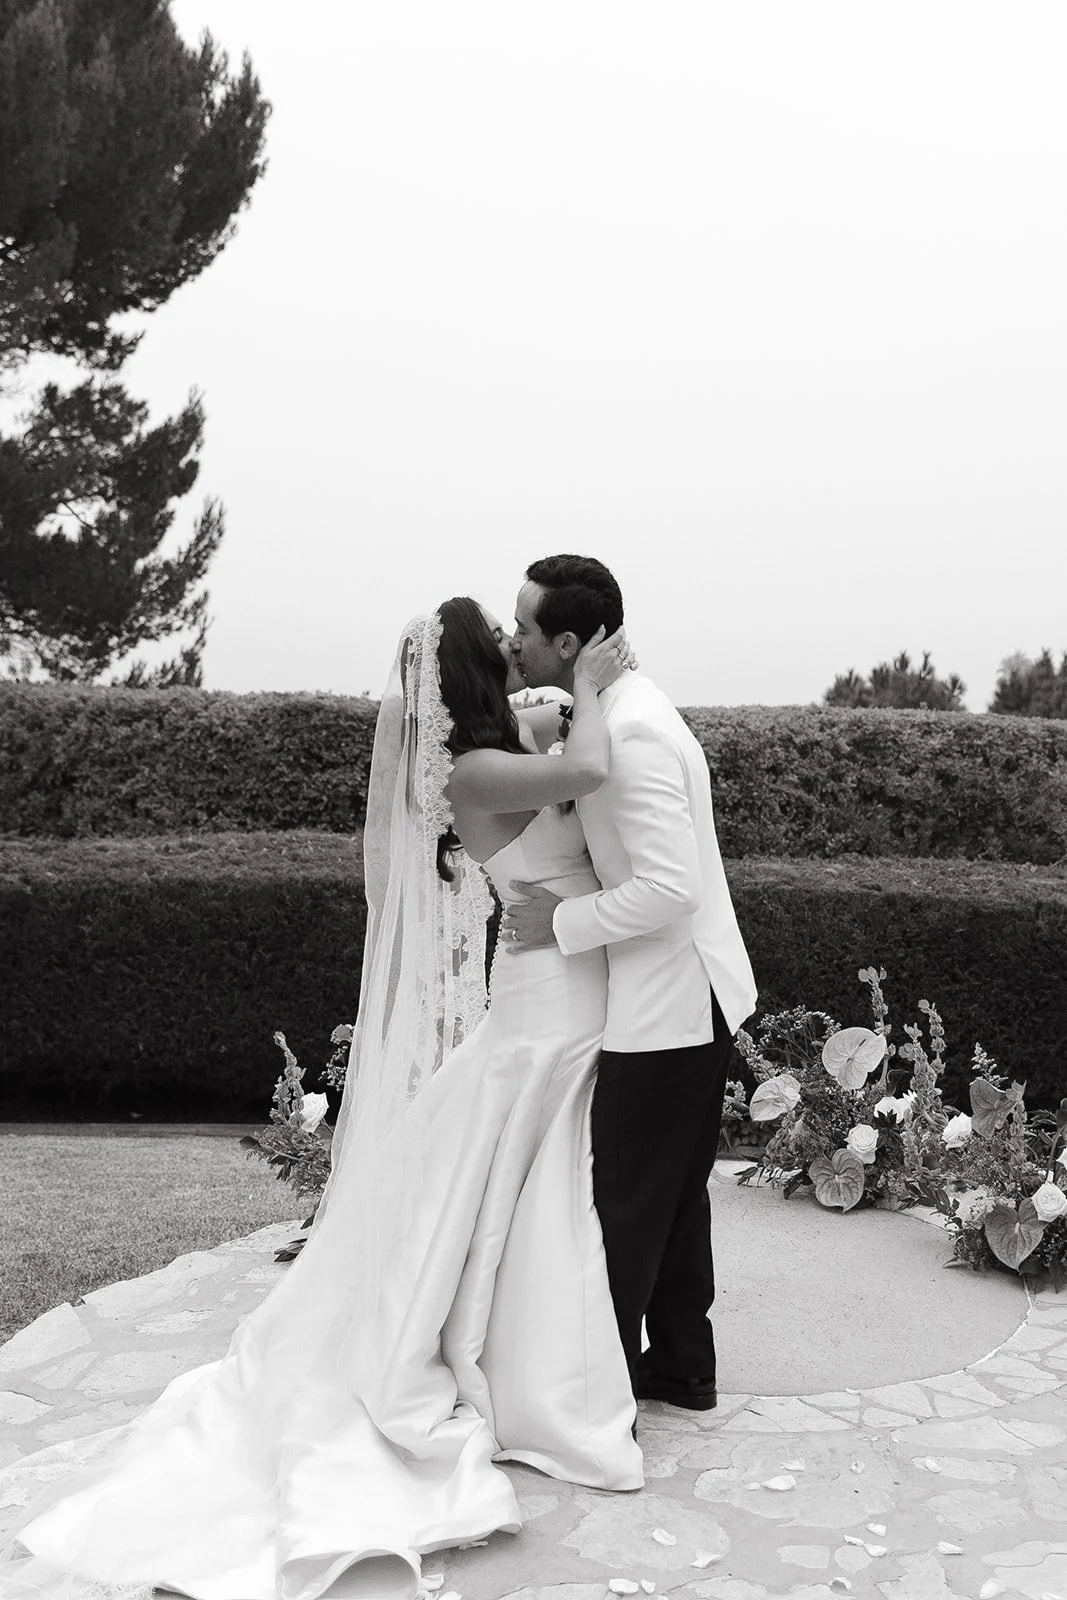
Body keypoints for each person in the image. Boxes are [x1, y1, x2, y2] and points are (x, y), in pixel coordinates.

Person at [0, 600, 640, 1600]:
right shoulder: (475, 774)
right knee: (488, 1188)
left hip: (543, 996)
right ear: (479, 674)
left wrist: (567, 699)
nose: (522, 659)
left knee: (494, 1191)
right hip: (535, 1004)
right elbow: (589, 769)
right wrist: (593, 686)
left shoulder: (493, 747)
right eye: (504, 648)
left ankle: (512, 1352)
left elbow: (560, 747)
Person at [504, 554, 758, 1410]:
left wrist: (560, 925)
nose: (513, 642)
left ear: (568, 641)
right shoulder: (620, 710)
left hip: (666, 1008)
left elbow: (669, 888)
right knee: (675, 1200)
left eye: (524, 629)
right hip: (686, 1000)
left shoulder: (636, 731)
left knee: (628, 1205)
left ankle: (597, 1404)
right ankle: (683, 1367)